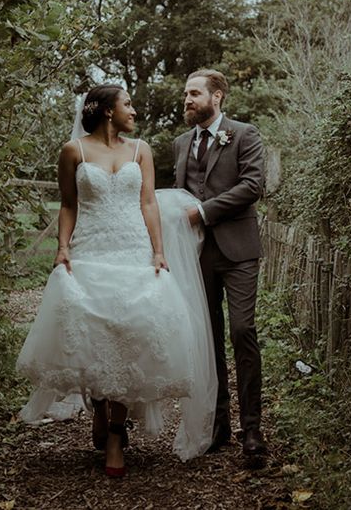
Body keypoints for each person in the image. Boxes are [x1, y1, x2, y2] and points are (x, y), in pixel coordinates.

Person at [16, 84, 216, 476]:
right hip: (90, 248)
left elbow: (147, 203)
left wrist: (159, 251)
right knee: (94, 330)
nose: (135, 111)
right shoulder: (73, 151)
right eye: (128, 104)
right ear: (108, 111)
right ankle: (100, 404)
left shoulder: (140, 150)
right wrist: (62, 247)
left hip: (133, 250)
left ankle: (115, 433)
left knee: (132, 332)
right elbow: (69, 204)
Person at [173, 69, 267, 457]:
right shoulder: (179, 143)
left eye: (195, 93)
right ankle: (219, 425)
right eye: (185, 94)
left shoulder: (244, 134)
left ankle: (253, 430)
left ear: (218, 97)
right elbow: (177, 196)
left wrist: (203, 213)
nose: (187, 100)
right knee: (206, 341)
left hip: (238, 251)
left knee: (242, 331)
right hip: (196, 255)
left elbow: (252, 186)